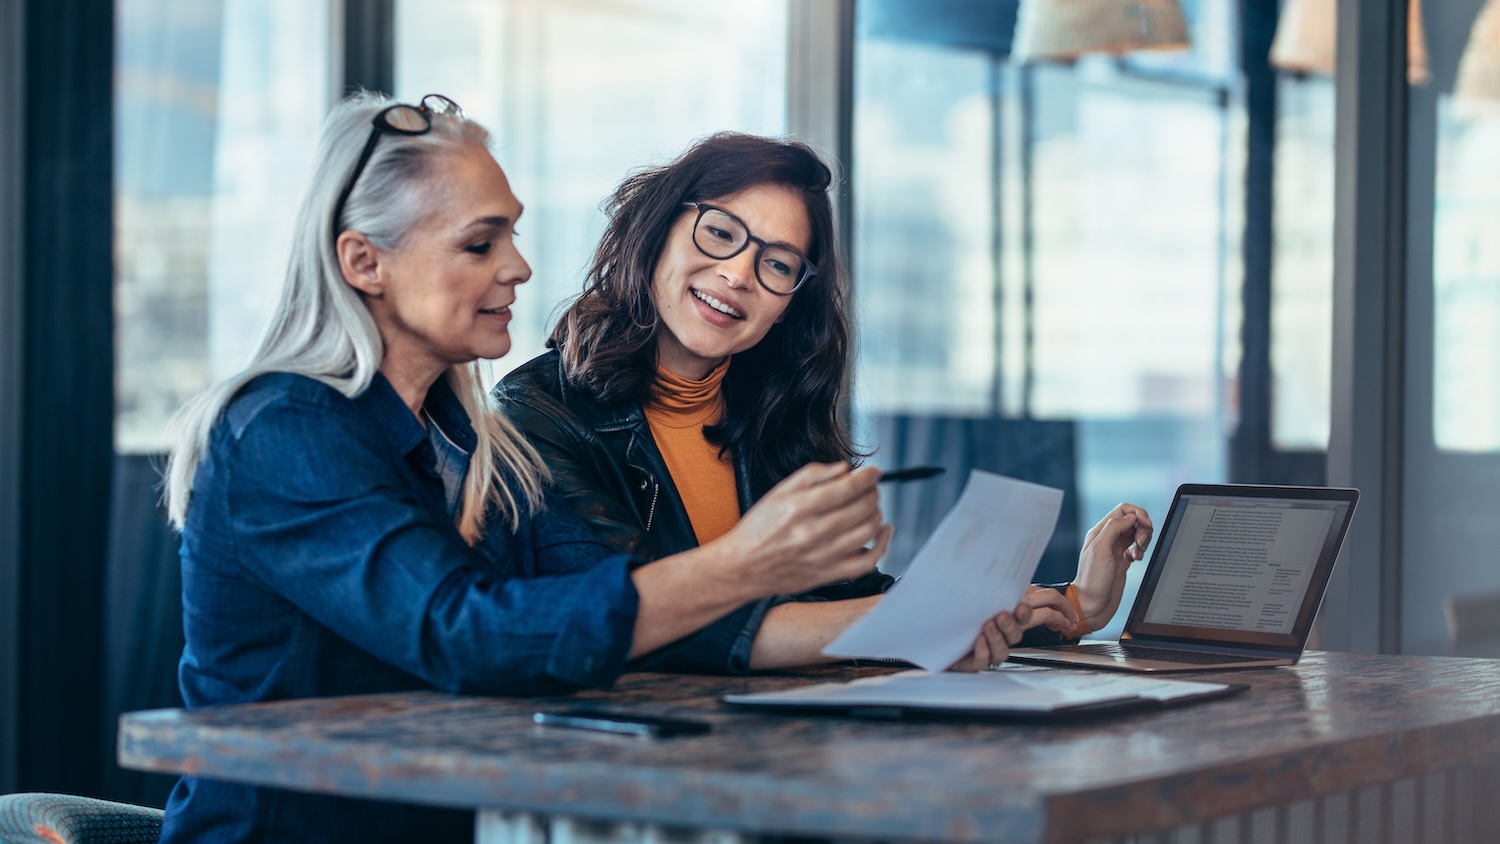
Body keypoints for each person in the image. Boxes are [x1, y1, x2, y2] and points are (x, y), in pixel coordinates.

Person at [156, 94, 1035, 844]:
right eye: (479, 244)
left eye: (514, 237)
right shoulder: (284, 428)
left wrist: (959, 622)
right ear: (364, 262)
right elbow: (467, 635)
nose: (519, 267)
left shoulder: (466, 442)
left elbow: (612, 613)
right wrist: (747, 564)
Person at [495, 132, 1154, 648]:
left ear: (791, 300)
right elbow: (634, 619)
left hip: (783, 753)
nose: (737, 275)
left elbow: (846, 601)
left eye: (777, 263)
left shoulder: (775, 413)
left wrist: (1074, 605)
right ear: (658, 229)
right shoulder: (536, 414)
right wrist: (911, 627)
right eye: (720, 232)